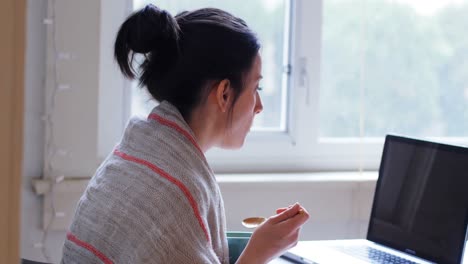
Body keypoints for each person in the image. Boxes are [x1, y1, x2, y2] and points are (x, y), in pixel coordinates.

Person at [61, 4, 309, 264]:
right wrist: (259, 252)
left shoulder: (132, 156)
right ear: (224, 93)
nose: (259, 106)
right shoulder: (174, 194)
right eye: (255, 88)